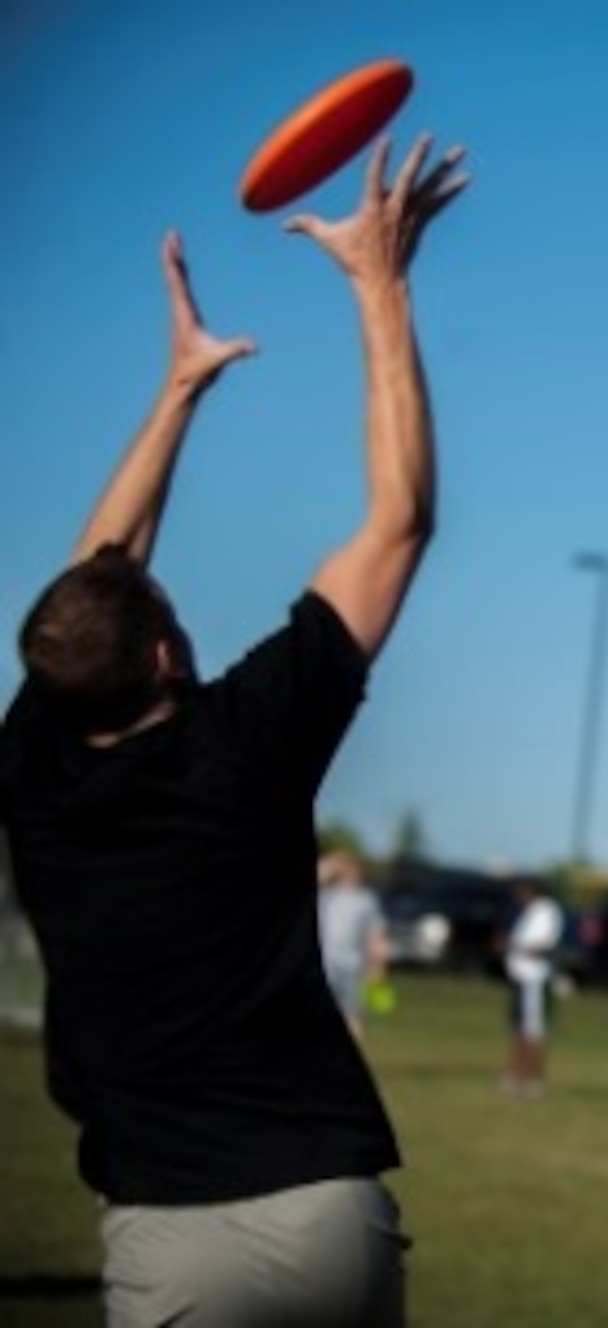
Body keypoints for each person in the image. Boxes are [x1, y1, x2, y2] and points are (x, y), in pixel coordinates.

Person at [0, 136, 469, 1326]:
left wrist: (176, 390)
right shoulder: (245, 738)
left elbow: (92, 582)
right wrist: (379, 284)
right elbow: (399, 520)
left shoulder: (36, 766)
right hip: (323, 1210)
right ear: (166, 652)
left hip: (164, 1230)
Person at [501, 875, 565, 1098]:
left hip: (533, 979)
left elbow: (542, 945)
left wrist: (513, 946)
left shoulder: (547, 911)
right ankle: (516, 1075)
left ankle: (533, 1077)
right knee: (519, 1030)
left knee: (533, 1031)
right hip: (520, 977)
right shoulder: (531, 913)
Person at [318, 849, 389, 1040]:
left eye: (355, 868)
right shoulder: (326, 896)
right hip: (326, 963)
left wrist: (378, 966)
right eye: (347, 868)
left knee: (353, 1015)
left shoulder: (367, 900)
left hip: (354, 966)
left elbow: (376, 936)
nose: (351, 872)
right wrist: (332, 863)